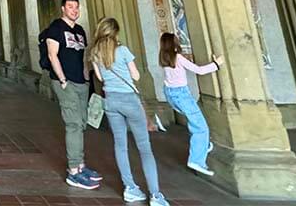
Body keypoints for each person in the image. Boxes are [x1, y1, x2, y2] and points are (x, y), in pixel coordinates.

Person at [91, 17, 169, 206]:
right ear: (115, 32)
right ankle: (156, 196)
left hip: (111, 101)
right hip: (129, 100)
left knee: (120, 145)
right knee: (144, 148)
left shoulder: (94, 53)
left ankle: (130, 188)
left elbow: (100, 78)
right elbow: (136, 75)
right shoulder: (123, 50)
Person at [43, 0, 100, 190]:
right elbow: (52, 55)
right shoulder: (56, 28)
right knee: (73, 124)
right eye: (70, 7)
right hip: (65, 82)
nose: (74, 10)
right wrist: (62, 79)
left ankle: (81, 165)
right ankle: (74, 171)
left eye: (76, 7)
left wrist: (85, 78)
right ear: (62, 9)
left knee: (82, 122)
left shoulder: (80, 30)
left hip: (80, 82)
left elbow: (82, 56)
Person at [159, 32, 222, 177]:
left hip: (170, 95)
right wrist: (217, 64)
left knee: (195, 123)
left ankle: (203, 146)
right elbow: (199, 70)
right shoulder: (178, 58)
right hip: (182, 96)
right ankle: (196, 160)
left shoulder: (165, 59)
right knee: (201, 128)